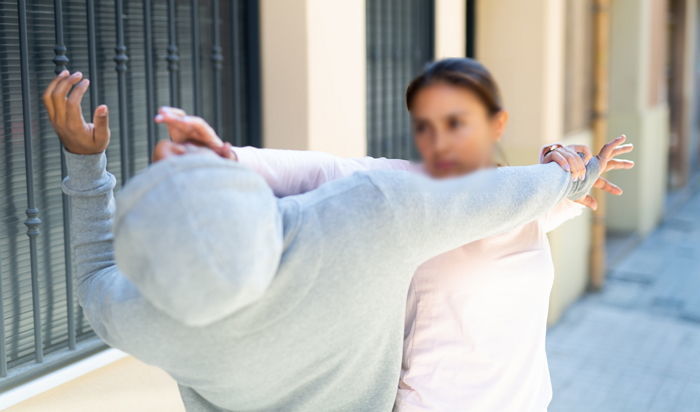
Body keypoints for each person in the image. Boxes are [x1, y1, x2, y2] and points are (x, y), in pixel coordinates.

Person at [44, 69, 625, 411]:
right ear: (261, 211)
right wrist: (564, 177)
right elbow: (489, 199)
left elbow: (96, 273)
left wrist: (86, 162)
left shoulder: (143, 318)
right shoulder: (359, 224)